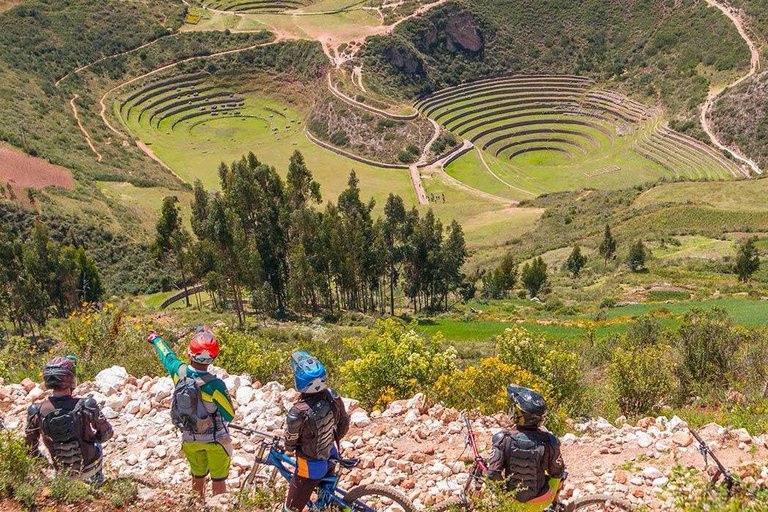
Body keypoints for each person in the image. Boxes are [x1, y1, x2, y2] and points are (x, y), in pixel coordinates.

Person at [147, 327, 235, 497]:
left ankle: (196, 505)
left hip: (189, 439)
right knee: (218, 480)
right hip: (216, 441)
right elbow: (229, 414)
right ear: (213, 358)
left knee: (197, 476)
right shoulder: (215, 385)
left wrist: (156, 339)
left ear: (189, 353)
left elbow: (167, 356)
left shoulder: (178, 372)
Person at [25, 356, 113, 483]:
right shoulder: (86, 404)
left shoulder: (35, 410)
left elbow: (30, 447)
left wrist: (42, 461)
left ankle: (63, 482)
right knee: (96, 444)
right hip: (89, 467)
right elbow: (107, 433)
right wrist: (94, 438)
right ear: (70, 378)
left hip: (62, 471)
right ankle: (96, 480)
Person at [283, 352, 350, 512]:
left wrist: (290, 447)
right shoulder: (333, 397)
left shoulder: (297, 412)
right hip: (331, 455)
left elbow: (290, 443)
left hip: (311, 465)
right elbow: (344, 423)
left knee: (291, 509)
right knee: (324, 499)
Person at [485, 385, 565, 511]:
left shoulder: (502, 438)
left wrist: (504, 495)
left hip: (511, 502)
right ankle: (555, 505)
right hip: (541, 501)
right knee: (561, 474)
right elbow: (557, 472)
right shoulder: (550, 441)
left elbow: (492, 473)